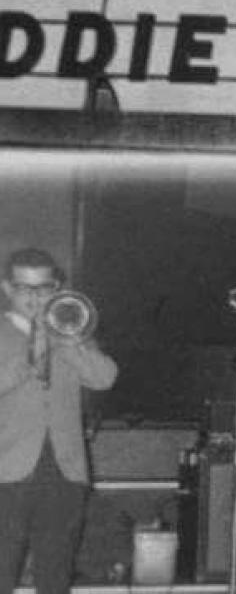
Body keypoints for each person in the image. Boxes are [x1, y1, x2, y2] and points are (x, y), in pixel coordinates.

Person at [0, 247, 117, 594]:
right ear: (7, 289)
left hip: (64, 473)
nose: (35, 298)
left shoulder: (71, 330)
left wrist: (66, 342)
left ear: (58, 288)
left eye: (44, 288)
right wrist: (25, 362)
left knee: (55, 579)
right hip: (6, 470)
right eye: (25, 289)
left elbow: (105, 376)